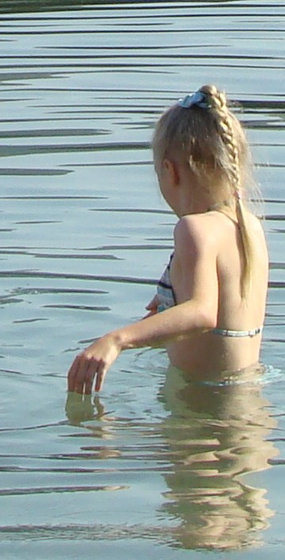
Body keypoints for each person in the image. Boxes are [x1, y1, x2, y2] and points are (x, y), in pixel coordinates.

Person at [67, 84, 267, 396]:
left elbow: (202, 312)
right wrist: (167, 308)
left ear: (169, 171)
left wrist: (116, 340)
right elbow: (220, 314)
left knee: (97, 444)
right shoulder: (248, 226)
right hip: (249, 398)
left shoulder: (193, 229)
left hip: (202, 409)